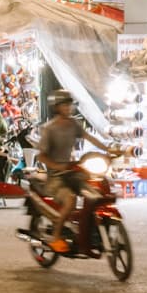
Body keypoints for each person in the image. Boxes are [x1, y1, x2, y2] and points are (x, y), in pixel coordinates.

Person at [33, 89, 84, 253]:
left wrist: (111, 150)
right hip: (55, 177)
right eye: (64, 105)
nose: (68, 108)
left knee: (95, 189)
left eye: (69, 105)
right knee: (70, 199)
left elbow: (90, 138)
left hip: (71, 172)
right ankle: (56, 236)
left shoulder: (73, 124)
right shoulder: (50, 128)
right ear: (56, 107)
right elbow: (41, 157)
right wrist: (58, 166)